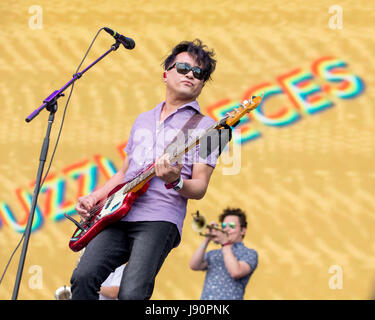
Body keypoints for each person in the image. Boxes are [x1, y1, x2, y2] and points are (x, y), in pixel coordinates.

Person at [70, 39, 219, 300]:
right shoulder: (143, 119)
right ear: (166, 73)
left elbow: (199, 188)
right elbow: (124, 173)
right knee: (83, 277)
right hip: (117, 215)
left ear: (202, 84)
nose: (190, 75)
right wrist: (95, 197)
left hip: (160, 218)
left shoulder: (210, 128)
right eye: (184, 68)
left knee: (132, 293)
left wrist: (175, 181)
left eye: (199, 73)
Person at [189, 208, 258, 300]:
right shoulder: (214, 253)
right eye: (224, 225)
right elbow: (194, 265)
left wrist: (225, 244)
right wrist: (206, 239)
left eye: (232, 226)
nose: (227, 229)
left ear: (243, 231)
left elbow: (236, 272)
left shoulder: (249, 253)